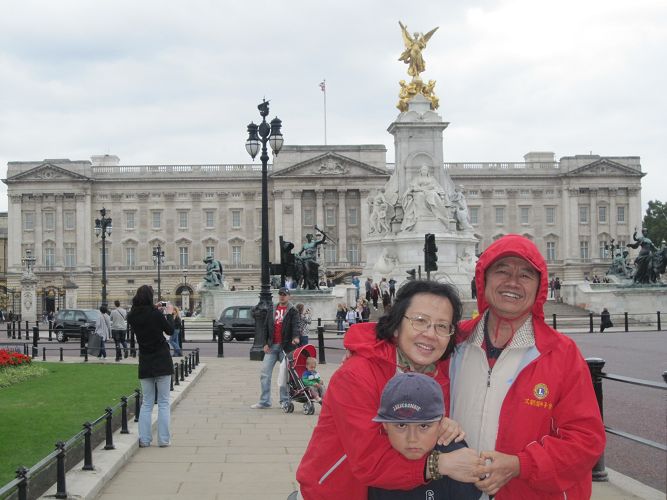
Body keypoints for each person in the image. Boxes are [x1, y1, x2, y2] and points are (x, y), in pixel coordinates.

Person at [449, 234, 606, 499]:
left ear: (538, 287)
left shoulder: (562, 353)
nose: (512, 282)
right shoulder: (452, 342)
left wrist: (520, 465)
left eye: (525, 275)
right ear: (484, 279)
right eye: (502, 271)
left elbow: (586, 440)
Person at [296, 280, 482, 499]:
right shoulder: (356, 375)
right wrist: (439, 464)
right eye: (420, 321)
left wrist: (442, 425)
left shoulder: (437, 373)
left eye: (442, 326)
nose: (431, 334)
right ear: (396, 326)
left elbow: (478, 325)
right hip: (337, 491)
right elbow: (369, 461)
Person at [368, 372, 481, 500]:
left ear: (441, 423)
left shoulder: (457, 456)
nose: (412, 439)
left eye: (423, 426)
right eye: (401, 425)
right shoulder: (377, 464)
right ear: (385, 425)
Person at [127, 285, 174, 447]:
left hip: (145, 360)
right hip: (161, 359)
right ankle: (163, 440)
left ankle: (145, 440)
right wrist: (168, 314)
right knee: (163, 403)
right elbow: (170, 331)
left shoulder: (132, 316)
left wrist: (153, 308)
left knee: (147, 403)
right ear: (150, 297)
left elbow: (142, 315)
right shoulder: (156, 314)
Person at [251, 287, 300, 410]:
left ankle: (284, 401)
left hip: (286, 347)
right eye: (280, 294)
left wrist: (296, 337)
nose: (282, 296)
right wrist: (265, 343)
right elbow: (265, 327)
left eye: (284, 294)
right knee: (265, 373)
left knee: (285, 375)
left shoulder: (293, 310)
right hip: (272, 346)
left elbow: (296, 325)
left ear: (289, 296)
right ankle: (264, 401)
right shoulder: (272, 308)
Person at [401, 166, 452, 231]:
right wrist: (423, 189)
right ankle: (421, 215)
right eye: (423, 170)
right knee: (420, 195)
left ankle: (434, 212)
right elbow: (413, 187)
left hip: (430, 191)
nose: (424, 171)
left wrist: (433, 190)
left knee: (432, 194)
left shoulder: (431, 178)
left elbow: (435, 186)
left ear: (427, 171)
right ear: (420, 171)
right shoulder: (417, 178)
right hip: (419, 192)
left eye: (425, 170)